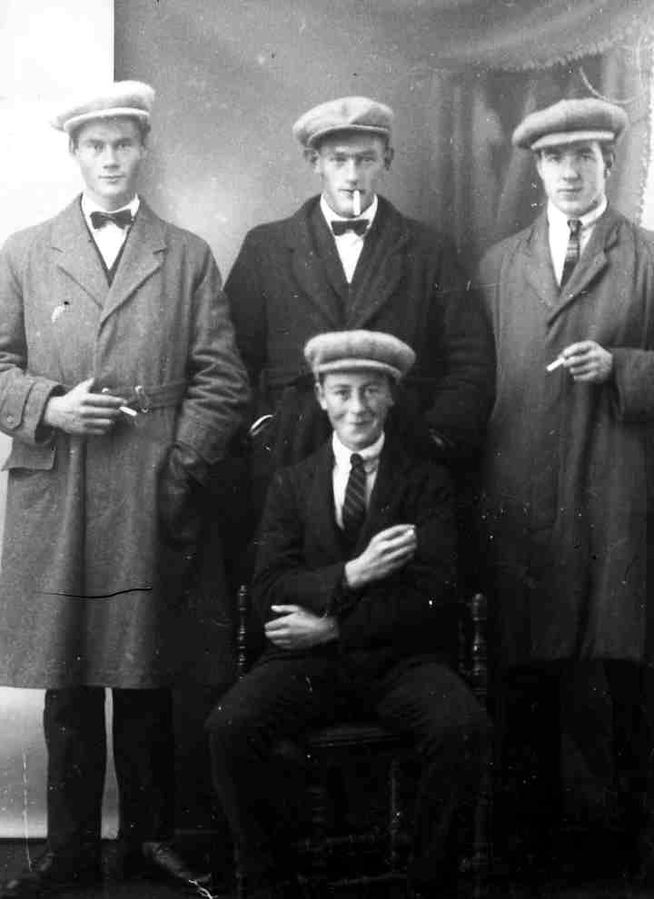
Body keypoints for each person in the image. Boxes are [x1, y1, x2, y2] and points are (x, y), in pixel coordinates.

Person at [0, 81, 249, 898]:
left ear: (144, 150)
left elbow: (222, 380)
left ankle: (145, 845)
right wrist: (48, 405)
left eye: (124, 144)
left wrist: (178, 468)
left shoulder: (187, 255)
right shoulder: (23, 250)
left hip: (150, 492)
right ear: (74, 153)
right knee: (69, 680)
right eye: (95, 146)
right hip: (60, 495)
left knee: (147, 676)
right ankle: (70, 852)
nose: (110, 159)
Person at [206, 329, 490, 899]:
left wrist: (334, 625)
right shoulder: (291, 484)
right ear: (320, 397)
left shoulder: (427, 482)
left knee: (463, 728)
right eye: (342, 392)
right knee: (228, 728)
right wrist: (353, 574)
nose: (356, 407)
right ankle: (270, 886)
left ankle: (428, 885)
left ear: (392, 396)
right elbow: (269, 588)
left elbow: (434, 594)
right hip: (308, 666)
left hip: (401, 662)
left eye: (370, 391)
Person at [477, 97, 654, 879]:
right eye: (555, 158)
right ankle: (529, 856)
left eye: (585, 156)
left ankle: (632, 858)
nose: (570, 172)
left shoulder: (646, 255)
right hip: (522, 494)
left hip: (617, 491)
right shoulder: (498, 264)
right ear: (537, 170)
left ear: (608, 163)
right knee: (527, 670)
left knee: (625, 674)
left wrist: (624, 367)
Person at [224, 95, 494, 520]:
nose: (352, 175)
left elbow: (471, 359)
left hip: (402, 452)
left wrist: (437, 436)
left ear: (387, 159)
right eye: (338, 160)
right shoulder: (266, 248)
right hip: (292, 455)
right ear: (314, 161)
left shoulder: (429, 250)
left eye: (366, 159)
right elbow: (231, 356)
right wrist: (261, 429)